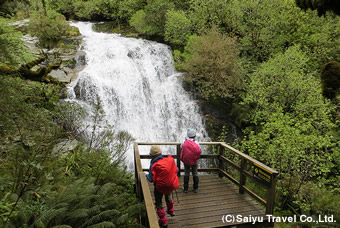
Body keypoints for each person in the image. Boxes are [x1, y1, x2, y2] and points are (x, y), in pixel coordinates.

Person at [146, 145, 178, 227]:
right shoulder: (168, 161)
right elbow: (176, 170)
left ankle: (163, 221)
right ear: (161, 153)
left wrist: (146, 175)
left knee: (159, 203)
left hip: (159, 187)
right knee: (169, 197)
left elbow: (151, 179)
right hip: (170, 185)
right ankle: (171, 211)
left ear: (151, 155)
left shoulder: (153, 164)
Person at [180, 128, 202, 193]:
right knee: (195, 173)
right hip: (194, 160)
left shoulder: (184, 142)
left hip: (186, 160)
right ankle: (195, 188)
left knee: (186, 173)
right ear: (194, 136)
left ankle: (185, 188)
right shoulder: (196, 142)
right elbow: (200, 151)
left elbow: (181, 149)